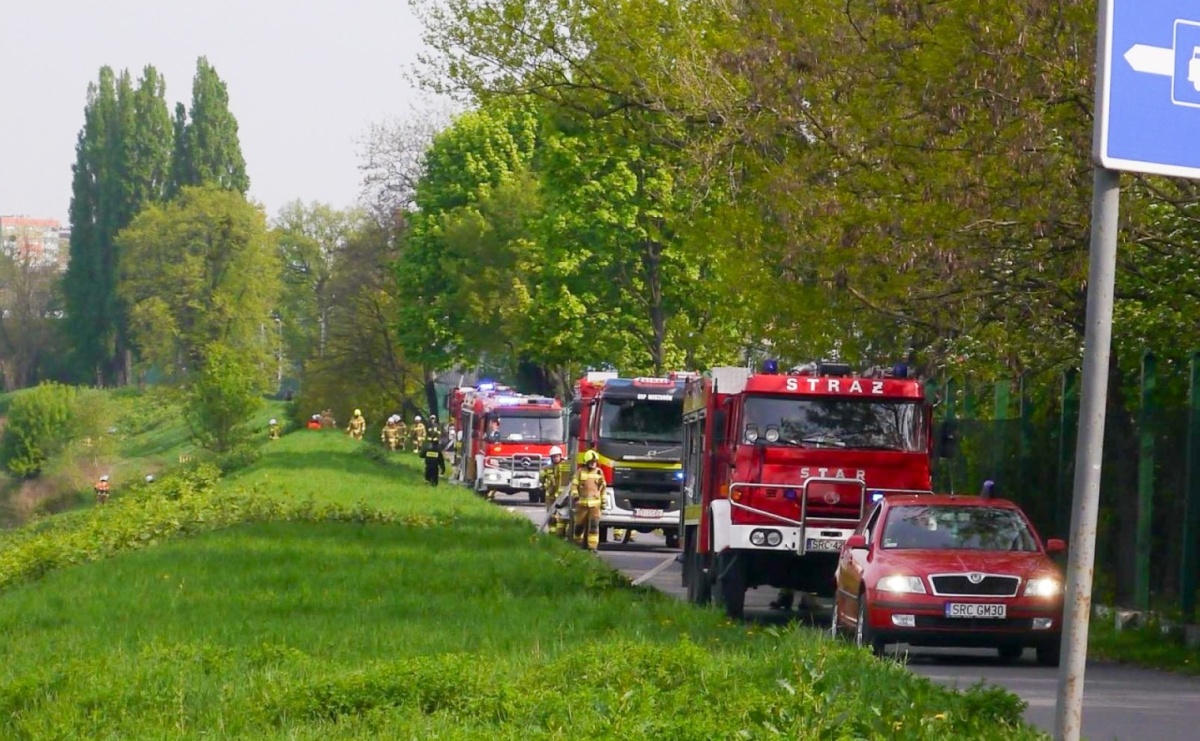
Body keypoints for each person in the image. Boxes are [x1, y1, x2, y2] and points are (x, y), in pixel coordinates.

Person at [571, 450, 606, 551]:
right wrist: (575, 495)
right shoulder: (580, 472)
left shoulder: (599, 472)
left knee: (594, 527)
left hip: (595, 506)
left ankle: (592, 547)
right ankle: (577, 545)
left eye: (595, 462)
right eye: (591, 461)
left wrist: (603, 501)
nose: (593, 463)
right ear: (586, 462)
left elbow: (603, 487)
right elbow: (574, 485)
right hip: (581, 505)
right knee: (579, 526)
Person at [540, 446, 571, 534]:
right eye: (553, 457)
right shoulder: (547, 468)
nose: (555, 458)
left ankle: (561, 533)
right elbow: (541, 479)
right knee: (551, 515)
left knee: (562, 515)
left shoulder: (566, 466)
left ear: (560, 456)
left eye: (557, 456)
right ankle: (552, 533)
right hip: (550, 496)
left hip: (563, 496)